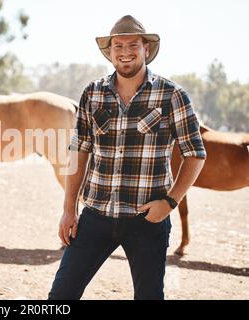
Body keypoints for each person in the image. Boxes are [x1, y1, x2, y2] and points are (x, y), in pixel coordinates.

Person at [48, 15, 206, 300]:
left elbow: (195, 154)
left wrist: (170, 203)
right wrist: (69, 208)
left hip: (147, 220)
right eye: (118, 45)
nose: (125, 51)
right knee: (61, 295)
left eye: (133, 44)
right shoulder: (92, 94)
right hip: (95, 215)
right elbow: (79, 150)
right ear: (109, 52)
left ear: (146, 48)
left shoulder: (172, 95)